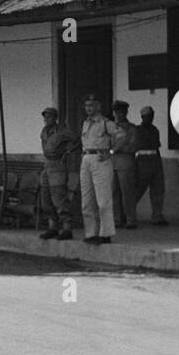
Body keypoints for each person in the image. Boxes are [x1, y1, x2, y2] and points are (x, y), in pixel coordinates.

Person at [78, 94, 123, 244]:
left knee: (103, 200)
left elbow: (122, 136)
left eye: (91, 105)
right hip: (86, 158)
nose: (88, 108)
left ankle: (106, 233)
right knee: (86, 201)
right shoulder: (85, 123)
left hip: (100, 159)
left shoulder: (105, 123)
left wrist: (111, 151)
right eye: (86, 105)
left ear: (98, 106)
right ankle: (90, 233)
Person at [38, 106, 79, 241]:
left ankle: (67, 228)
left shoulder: (62, 130)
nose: (46, 119)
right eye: (45, 116)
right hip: (47, 165)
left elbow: (77, 141)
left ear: (55, 117)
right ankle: (52, 227)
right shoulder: (44, 131)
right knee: (46, 198)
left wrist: (68, 151)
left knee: (59, 198)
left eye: (49, 116)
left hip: (58, 165)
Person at [133, 105, 168, 225]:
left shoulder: (155, 130)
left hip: (154, 162)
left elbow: (156, 148)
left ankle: (157, 216)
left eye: (151, 116)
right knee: (137, 191)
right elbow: (134, 149)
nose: (150, 118)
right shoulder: (137, 130)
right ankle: (128, 215)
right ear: (142, 117)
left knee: (157, 190)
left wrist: (159, 166)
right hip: (142, 163)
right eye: (148, 116)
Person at [109, 101, 140, 228]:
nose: (118, 115)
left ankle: (131, 220)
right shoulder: (110, 128)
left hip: (126, 162)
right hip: (112, 163)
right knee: (114, 193)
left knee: (128, 193)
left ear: (125, 112)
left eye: (120, 112)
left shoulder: (131, 128)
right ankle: (117, 219)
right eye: (116, 112)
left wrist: (117, 148)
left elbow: (134, 146)